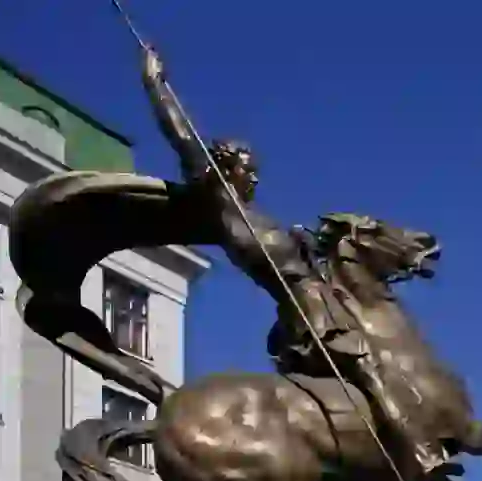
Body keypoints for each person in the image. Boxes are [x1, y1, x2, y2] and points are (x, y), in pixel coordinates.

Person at [140, 46, 402, 441]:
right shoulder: (221, 204)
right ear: (227, 170)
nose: (257, 180)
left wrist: (306, 245)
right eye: (250, 171)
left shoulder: (260, 218)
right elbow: (181, 135)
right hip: (306, 306)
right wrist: (154, 82)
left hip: (315, 299)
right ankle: (409, 443)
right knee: (366, 360)